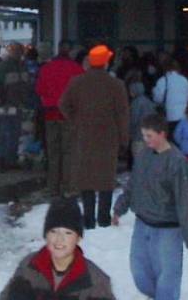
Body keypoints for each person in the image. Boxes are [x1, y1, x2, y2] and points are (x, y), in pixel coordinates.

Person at [113, 113, 188, 300]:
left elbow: (187, 203)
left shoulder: (178, 163)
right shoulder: (144, 155)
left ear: (162, 134)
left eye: (149, 136)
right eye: (143, 135)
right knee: (139, 271)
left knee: (168, 277)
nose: (145, 140)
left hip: (167, 229)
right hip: (142, 223)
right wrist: (120, 207)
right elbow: (133, 184)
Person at [60, 45, 129, 229]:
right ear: (106, 62)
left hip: (83, 136)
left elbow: (63, 104)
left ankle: (89, 219)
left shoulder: (77, 82)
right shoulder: (116, 85)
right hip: (109, 137)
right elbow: (122, 114)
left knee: (86, 178)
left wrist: (76, 120)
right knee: (106, 178)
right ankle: (104, 218)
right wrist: (124, 138)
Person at [0, 198, 116, 299]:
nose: (59, 239)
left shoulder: (95, 280)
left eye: (68, 233)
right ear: (45, 235)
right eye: (53, 231)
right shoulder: (29, 267)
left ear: (78, 238)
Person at [36, 40, 84, 196]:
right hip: (69, 115)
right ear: (70, 52)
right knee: (69, 151)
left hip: (50, 114)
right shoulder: (77, 69)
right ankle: (68, 186)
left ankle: (53, 187)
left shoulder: (46, 68)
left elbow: (39, 90)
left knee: (53, 152)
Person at [0, 43, 32, 170]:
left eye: (19, 51)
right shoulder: (4, 67)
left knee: (13, 133)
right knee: (5, 133)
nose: (18, 53)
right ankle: (3, 160)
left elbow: (26, 86)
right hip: (6, 105)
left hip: (17, 104)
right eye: (15, 51)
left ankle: (10, 160)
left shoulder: (21, 66)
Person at [153, 59, 188, 141]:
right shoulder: (184, 80)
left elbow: (158, 99)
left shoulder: (162, 80)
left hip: (169, 115)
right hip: (183, 115)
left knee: (170, 141)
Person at [129, 81, 157, 160]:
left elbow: (133, 120)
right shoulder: (149, 102)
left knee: (139, 159)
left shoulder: (135, 103)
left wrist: (129, 132)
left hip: (138, 136)